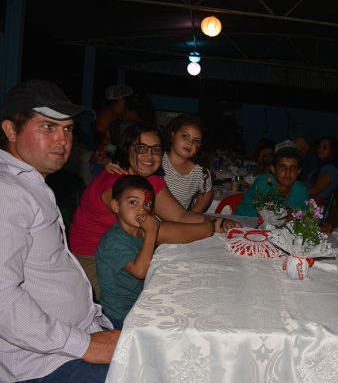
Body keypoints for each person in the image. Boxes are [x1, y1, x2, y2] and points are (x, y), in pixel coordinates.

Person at [0, 80, 119, 382]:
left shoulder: (29, 183)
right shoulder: (7, 192)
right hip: (43, 363)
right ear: (11, 130)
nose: (63, 140)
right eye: (48, 126)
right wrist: (85, 345)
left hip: (77, 334)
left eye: (68, 129)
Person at [70, 123, 237, 298]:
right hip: (95, 260)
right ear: (128, 149)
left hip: (131, 254)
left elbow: (180, 215)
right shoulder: (117, 185)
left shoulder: (150, 181)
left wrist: (219, 224)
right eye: (141, 148)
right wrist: (207, 229)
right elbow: (153, 230)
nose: (149, 155)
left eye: (156, 149)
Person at [96, 175, 159, 330]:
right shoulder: (113, 240)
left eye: (147, 204)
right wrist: (152, 232)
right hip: (119, 315)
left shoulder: (139, 232)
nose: (141, 209)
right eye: (133, 202)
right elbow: (140, 271)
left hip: (138, 302)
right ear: (116, 206)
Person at [235, 141, 308, 217]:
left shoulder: (301, 189)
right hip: (243, 221)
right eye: (283, 167)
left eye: (293, 168)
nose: (288, 172)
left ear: (298, 172)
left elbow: (304, 218)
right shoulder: (265, 182)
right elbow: (272, 216)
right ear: (273, 169)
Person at [161, 114, 213, 212]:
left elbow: (207, 193)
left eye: (196, 141)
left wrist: (192, 214)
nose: (190, 143)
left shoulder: (199, 171)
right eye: (185, 136)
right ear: (172, 135)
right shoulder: (158, 160)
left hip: (178, 220)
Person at [307, 136, 338, 207]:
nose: (320, 149)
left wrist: (293, 192)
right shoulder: (320, 167)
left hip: (311, 207)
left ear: (332, 150)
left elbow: (314, 191)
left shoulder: (330, 169)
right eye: (319, 147)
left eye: (324, 148)